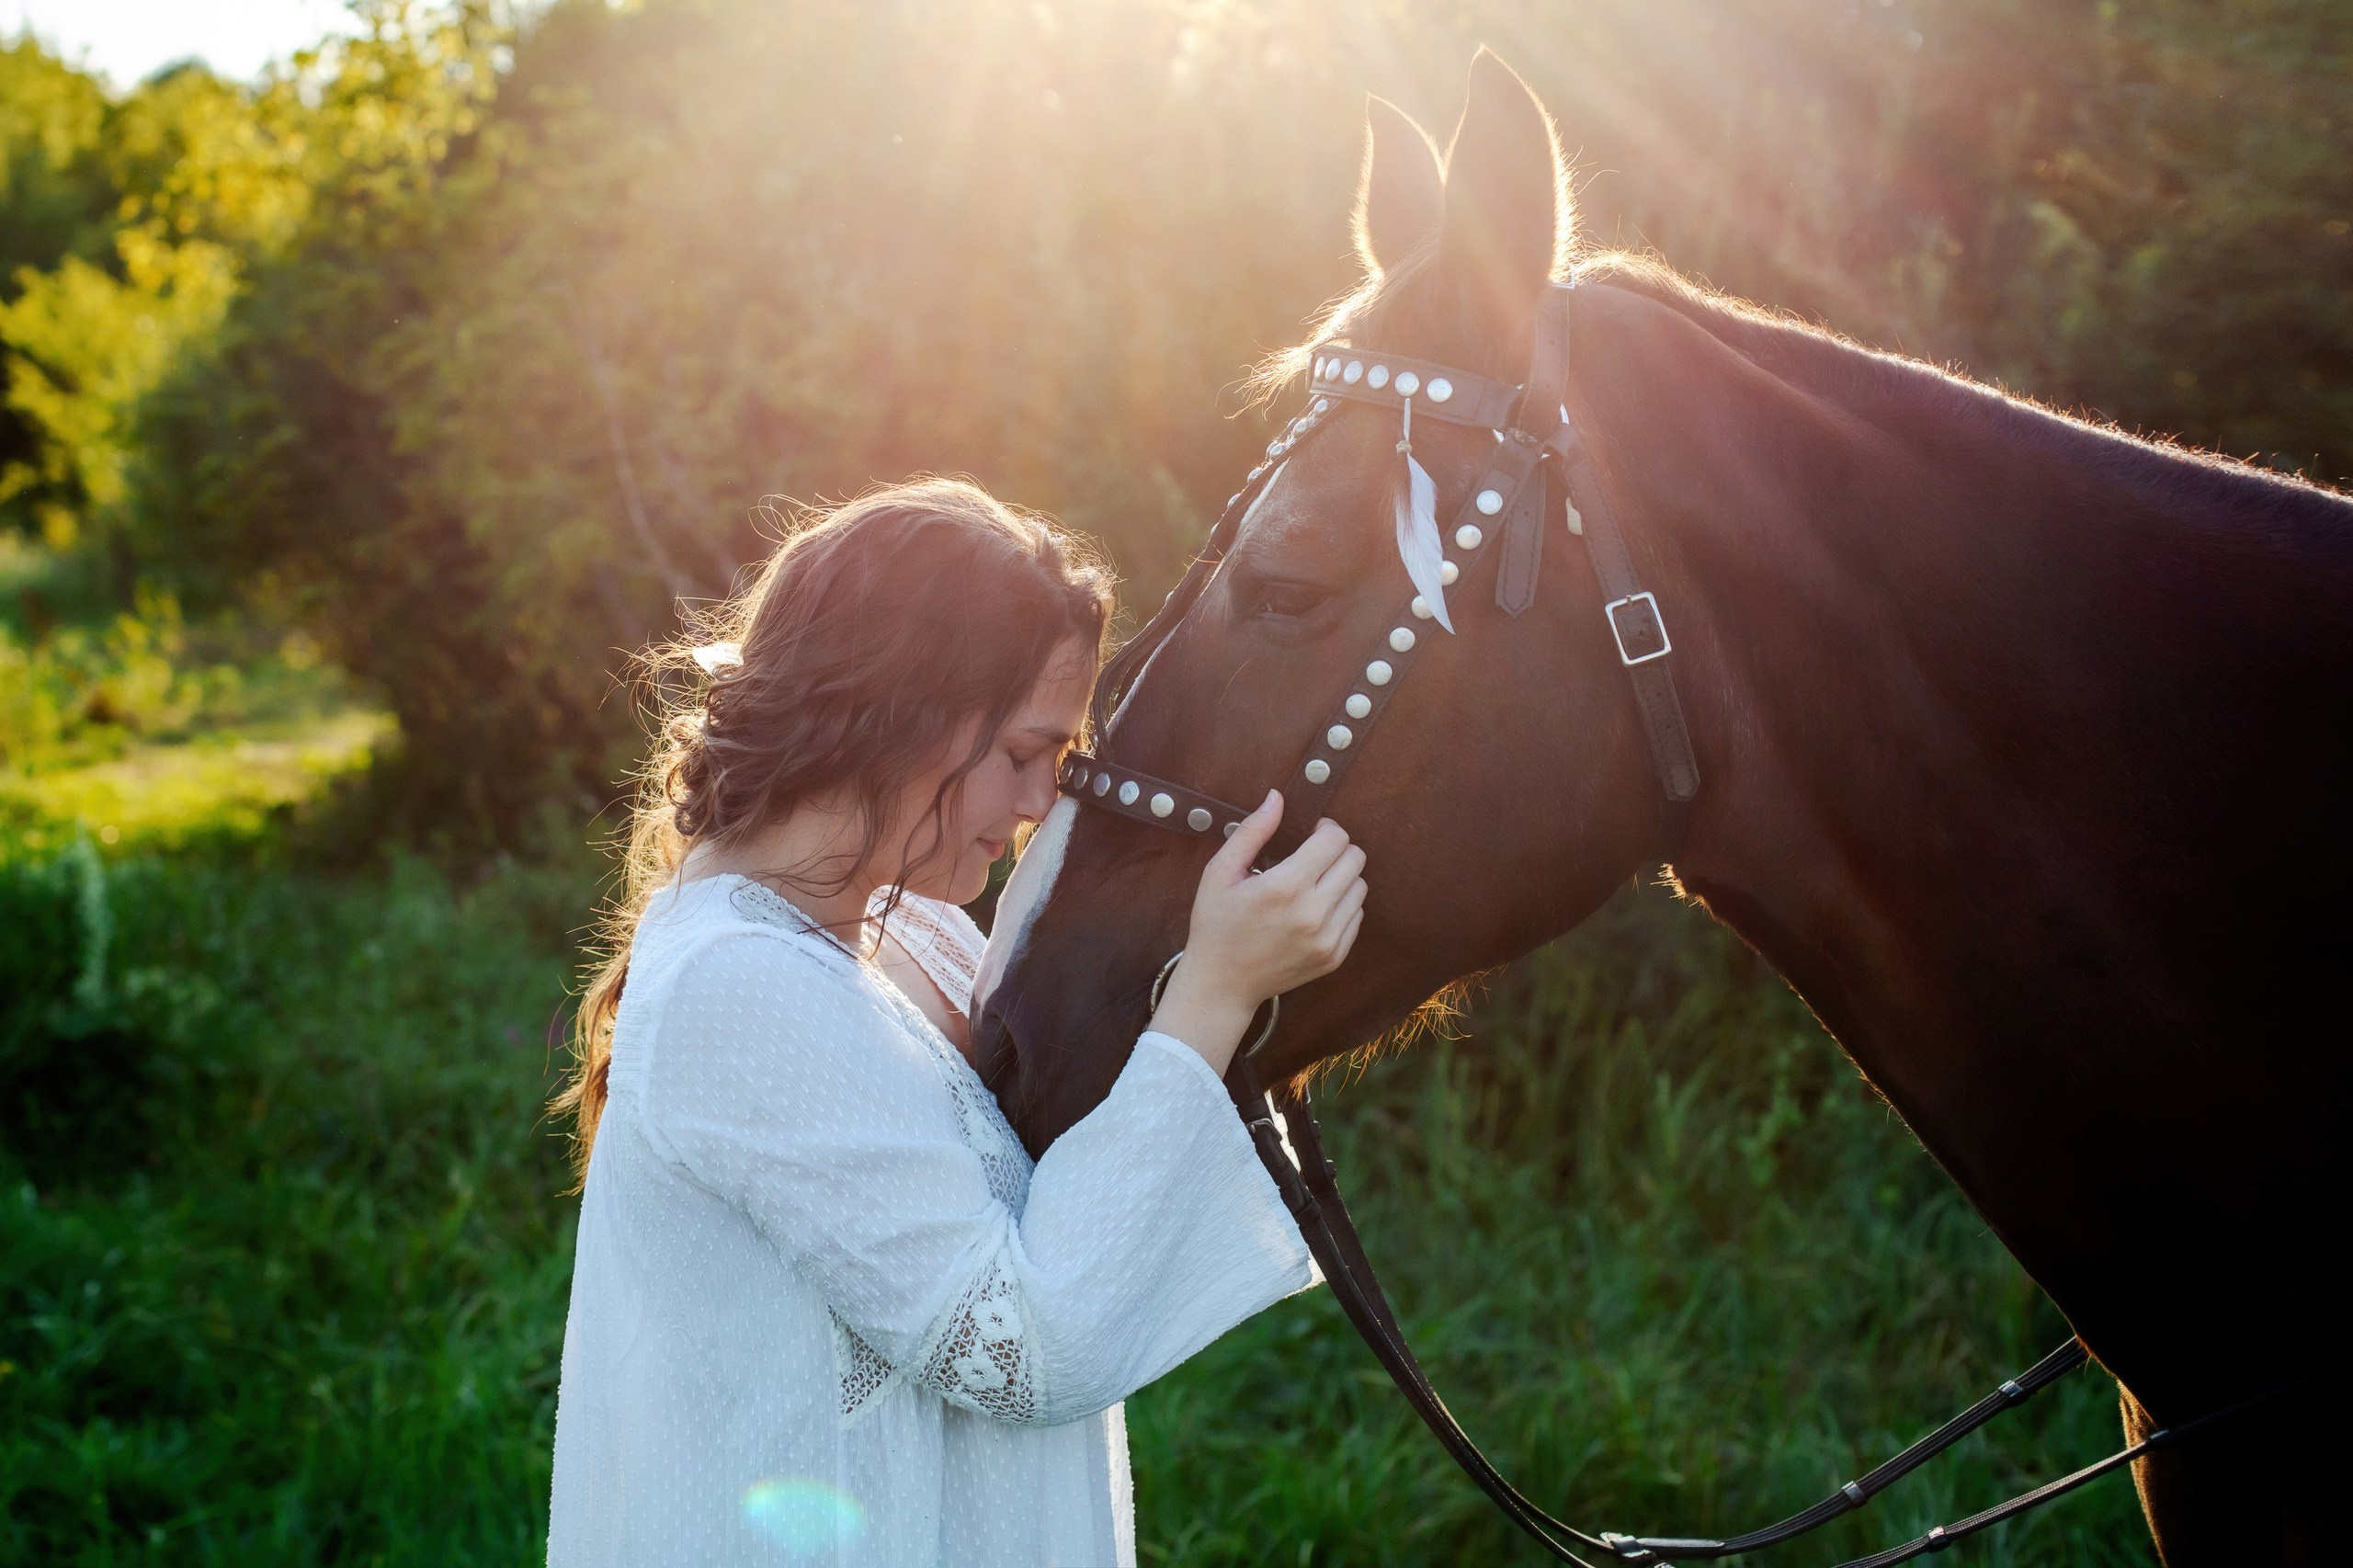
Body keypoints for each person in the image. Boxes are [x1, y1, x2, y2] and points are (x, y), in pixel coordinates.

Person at [547, 478, 1368, 1566]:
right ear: (893, 713)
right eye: (1022, 754)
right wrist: (1212, 994)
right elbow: (1022, 1346)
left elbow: (1067, 1205)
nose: (1037, 803)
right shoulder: (735, 981)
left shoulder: (912, 935)